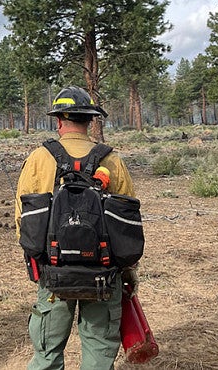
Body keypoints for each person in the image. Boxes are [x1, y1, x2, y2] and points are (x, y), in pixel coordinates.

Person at [14, 86, 137, 370]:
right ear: (91, 121)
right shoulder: (112, 160)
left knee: (46, 354)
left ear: (58, 121)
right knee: (99, 351)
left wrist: (38, 261)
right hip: (103, 276)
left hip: (53, 273)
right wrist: (128, 272)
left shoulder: (39, 159)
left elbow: (22, 219)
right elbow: (127, 224)